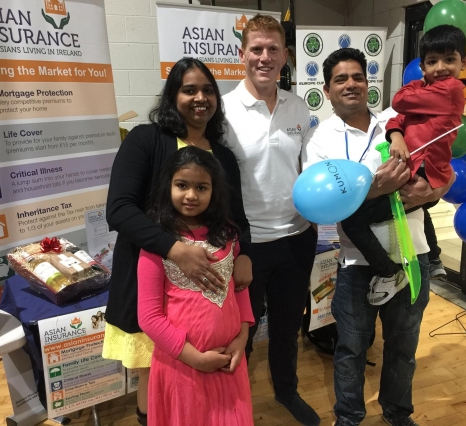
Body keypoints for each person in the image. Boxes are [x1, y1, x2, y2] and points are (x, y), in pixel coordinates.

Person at [302, 47, 455, 426]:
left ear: (367, 83)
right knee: (351, 348)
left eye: (357, 76)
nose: (351, 84)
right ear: (327, 90)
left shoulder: (395, 120)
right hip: (356, 262)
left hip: (412, 256)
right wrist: (376, 188)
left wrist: (434, 190)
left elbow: (443, 166)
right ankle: (349, 417)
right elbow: (324, 204)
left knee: (403, 347)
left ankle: (397, 414)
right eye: (341, 79)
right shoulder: (320, 140)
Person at [103, 57, 252, 426]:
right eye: (189, 90)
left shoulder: (224, 155)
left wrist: (244, 254)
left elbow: (235, 217)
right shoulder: (146, 140)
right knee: (157, 378)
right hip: (153, 279)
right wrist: (174, 250)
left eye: (208, 90)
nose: (200, 97)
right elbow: (119, 209)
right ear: (173, 96)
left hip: (212, 297)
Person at [222, 14, 320, 426]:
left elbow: (310, 168)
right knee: (239, 333)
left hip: (296, 238)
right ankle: (233, 405)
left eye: (273, 49)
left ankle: (286, 391)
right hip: (246, 246)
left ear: (285, 56)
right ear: (242, 54)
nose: (264, 57)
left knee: (286, 327)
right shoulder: (223, 110)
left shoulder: (298, 108)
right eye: (256, 49)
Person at [340, 25, 466, 304]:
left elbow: (400, 100)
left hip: (422, 172)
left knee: (353, 220)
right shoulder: (426, 93)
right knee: (414, 207)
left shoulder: (451, 90)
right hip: (412, 170)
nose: (441, 68)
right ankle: (435, 259)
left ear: (464, 62)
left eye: (449, 59)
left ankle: (389, 273)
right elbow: (397, 118)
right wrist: (397, 137)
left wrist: (414, 87)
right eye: (432, 61)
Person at [138, 146, 254, 426]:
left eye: (201, 187)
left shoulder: (227, 234)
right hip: (182, 366)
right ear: (168, 186)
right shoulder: (158, 243)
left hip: (229, 362)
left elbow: (239, 290)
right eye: (182, 185)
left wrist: (241, 340)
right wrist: (196, 359)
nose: (191, 195)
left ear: (215, 191)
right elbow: (149, 317)